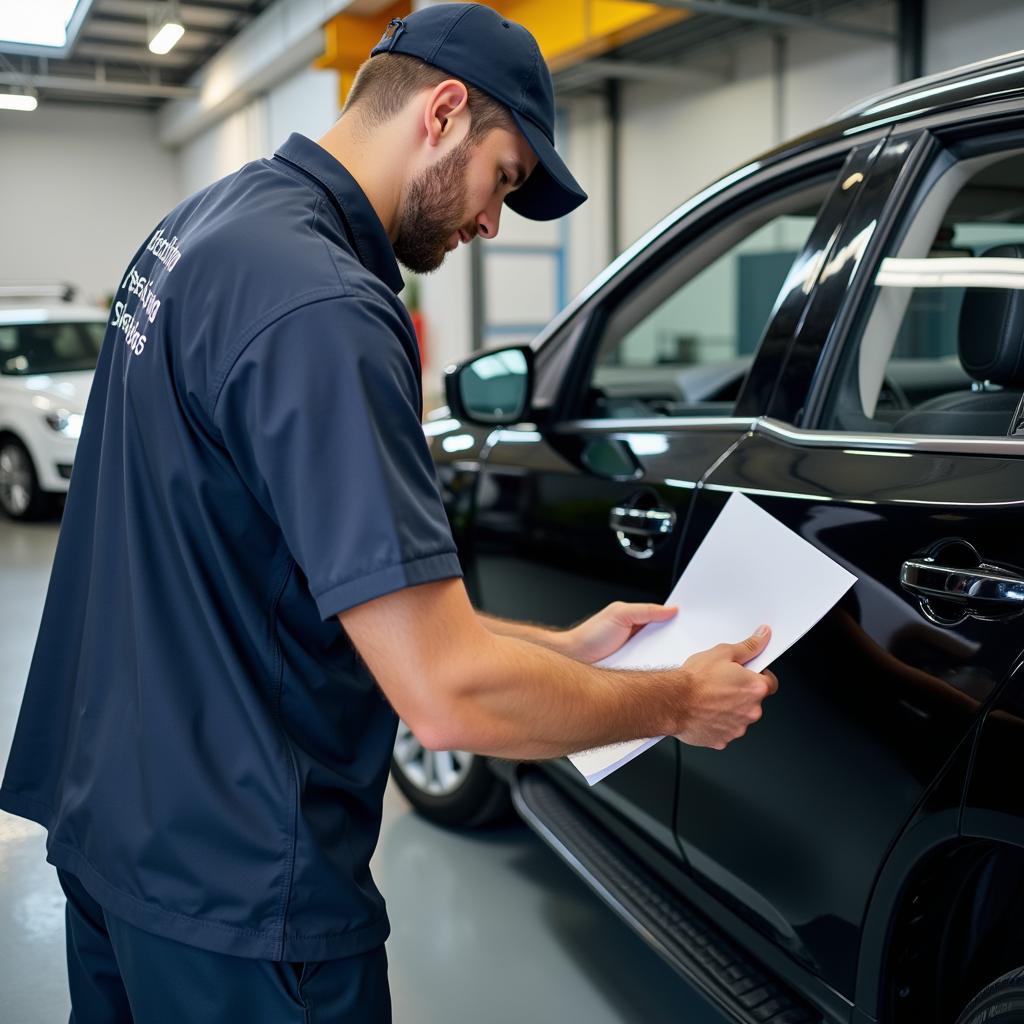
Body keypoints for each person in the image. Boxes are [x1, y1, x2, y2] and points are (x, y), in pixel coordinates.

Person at [0, 3, 777, 1021]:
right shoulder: (325, 305)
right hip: (243, 897)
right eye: (504, 177)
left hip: (116, 838)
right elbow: (445, 697)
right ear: (444, 112)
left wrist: (568, 652)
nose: (493, 220)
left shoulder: (203, 228)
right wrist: (675, 702)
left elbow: (301, 582)